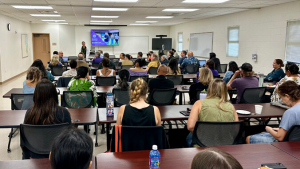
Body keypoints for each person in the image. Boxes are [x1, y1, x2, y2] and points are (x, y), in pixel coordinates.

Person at [23, 79, 71, 159]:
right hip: (59, 155)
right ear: (54, 94)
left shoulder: (30, 112)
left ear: (36, 95)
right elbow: (69, 137)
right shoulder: (63, 112)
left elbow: (26, 137)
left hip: (34, 155)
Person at [187, 79, 239, 147]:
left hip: (203, 144)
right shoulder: (231, 106)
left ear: (210, 89)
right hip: (226, 144)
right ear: (225, 91)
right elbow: (236, 129)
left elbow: (190, 127)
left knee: (189, 138)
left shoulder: (199, 103)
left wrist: (203, 135)